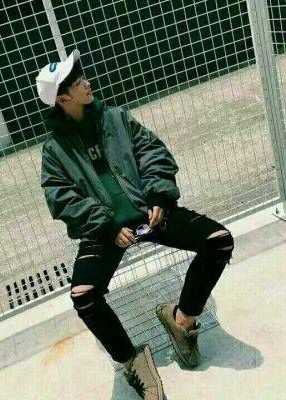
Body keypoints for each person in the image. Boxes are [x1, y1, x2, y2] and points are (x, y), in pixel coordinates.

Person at [36, 49, 234, 400]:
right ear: (63, 99)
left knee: (219, 240)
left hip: (151, 215)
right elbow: (61, 197)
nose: (87, 83)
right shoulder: (54, 150)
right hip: (106, 231)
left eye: (83, 77)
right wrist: (107, 226)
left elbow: (152, 151)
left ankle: (182, 320)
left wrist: (158, 196)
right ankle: (133, 363)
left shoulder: (115, 118)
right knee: (83, 296)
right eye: (78, 82)